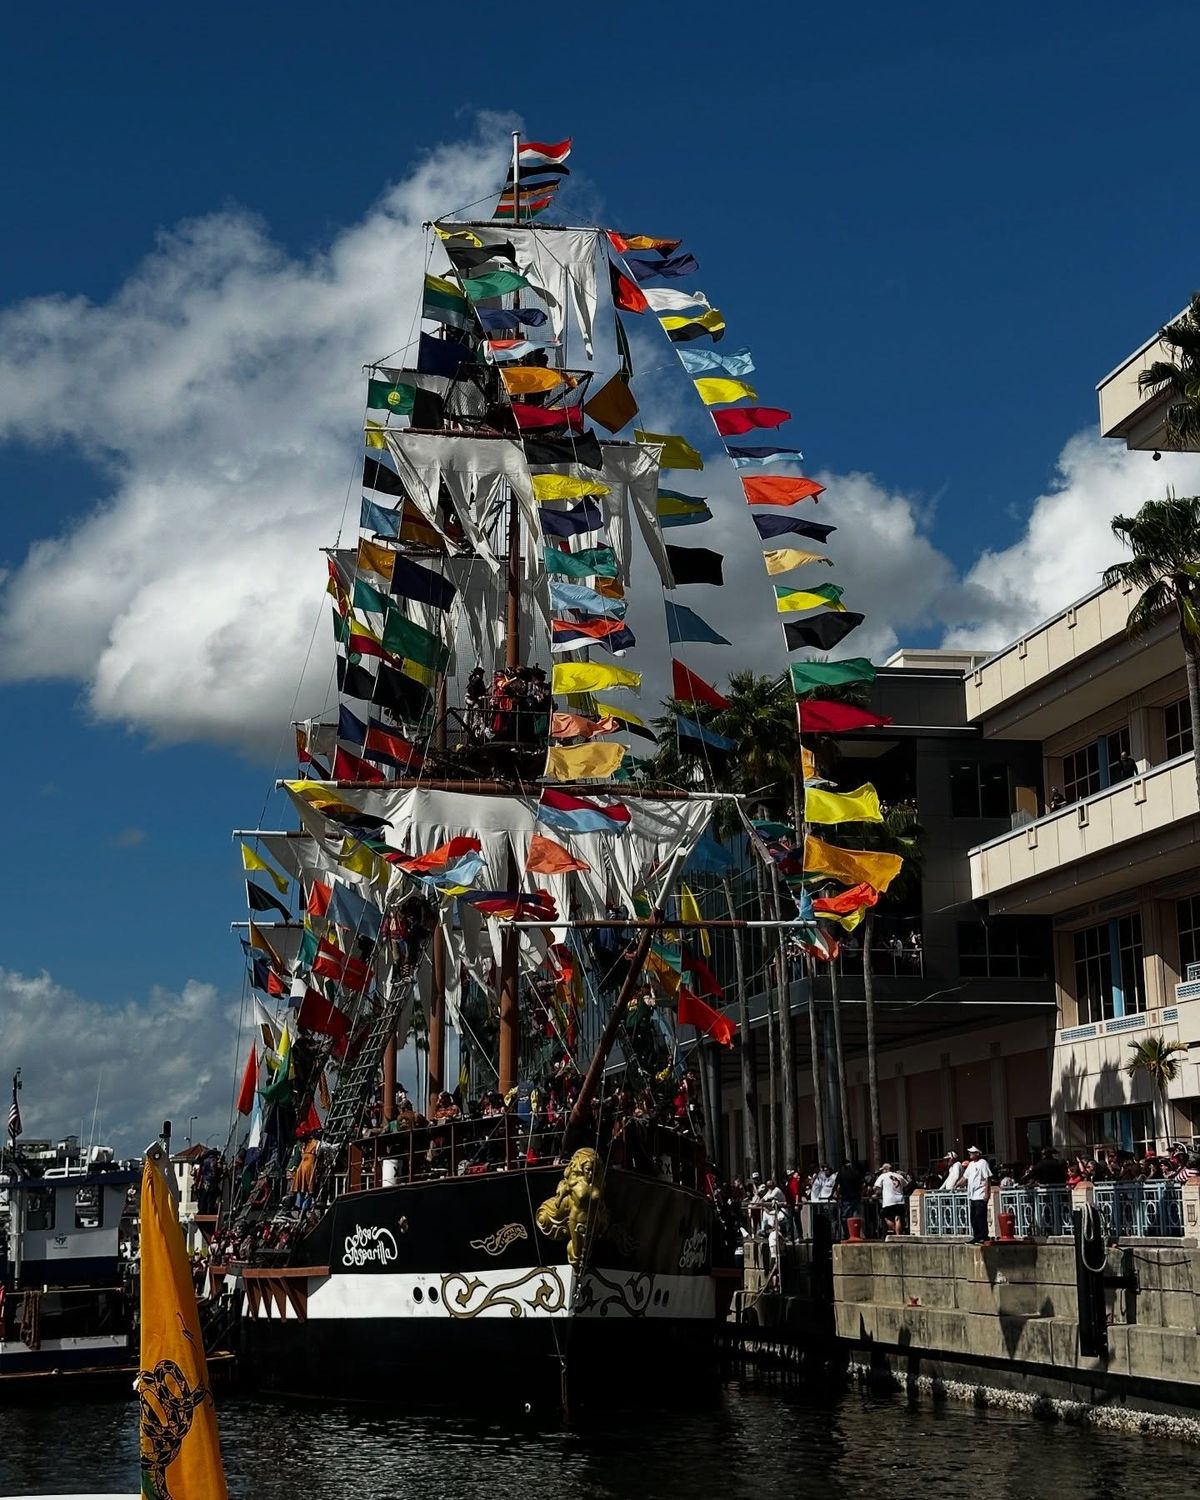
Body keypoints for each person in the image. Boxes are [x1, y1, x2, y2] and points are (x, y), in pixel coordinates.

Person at [962, 1145, 992, 1243]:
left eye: (972, 1152)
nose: (970, 1154)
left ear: (977, 1154)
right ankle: (976, 1236)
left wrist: (987, 1193)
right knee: (973, 1217)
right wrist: (956, 1185)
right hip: (972, 1195)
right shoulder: (971, 1165)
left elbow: (987, 1178)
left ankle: (983, 1235)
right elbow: (965, 1177)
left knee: (980, 1216)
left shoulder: (983, 1163)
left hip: (980, 1194)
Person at [834, 1158, 865, 1239]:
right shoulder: (856, 1172)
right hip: (857, 1198)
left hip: (846, 1198)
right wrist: (860, 1193)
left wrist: (831, 1194)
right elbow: (862, 1184)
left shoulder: (841, 1172)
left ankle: (847, 1234)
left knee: (845, 1217)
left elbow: (836, 1184)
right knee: (856, 1217)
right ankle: (857, 1234)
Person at [873, 1163, 908, 1235]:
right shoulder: (899, 1176)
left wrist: (876, 1193)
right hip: (900, 1200)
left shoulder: (883, 1176)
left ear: (886, 1169)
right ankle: (898, 1235)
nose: (882, 1171)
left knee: (885, 1217)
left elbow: (876, 1187)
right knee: (898, 1218)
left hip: (888, 1201)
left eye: (882, 1170)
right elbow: (906, 1185)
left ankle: (895, 1230)